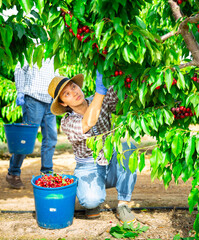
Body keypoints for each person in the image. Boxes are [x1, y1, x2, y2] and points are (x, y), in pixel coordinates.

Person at [47, 70, 138, 224]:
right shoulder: (67, 123)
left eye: (74, 87)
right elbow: (88, 123)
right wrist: (100, 92)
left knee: (128, 147)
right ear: (63, 103)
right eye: (67, 94)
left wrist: (117, 74)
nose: (74, 93)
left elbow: (124, 97)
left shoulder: (98, 99)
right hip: (88, 167)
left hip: (111, 158)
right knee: (91, 201)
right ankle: (92, 197)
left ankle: (123, 204)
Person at [6, 57, 59, 189]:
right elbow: (19, 69)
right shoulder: (31, 46)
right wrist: (20, 91)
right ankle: (13, 173)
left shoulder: (52, 48)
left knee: (51, 138)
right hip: (33, 98)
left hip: (50, 99)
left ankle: (47, 174)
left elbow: (56, 73)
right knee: (26, 139)